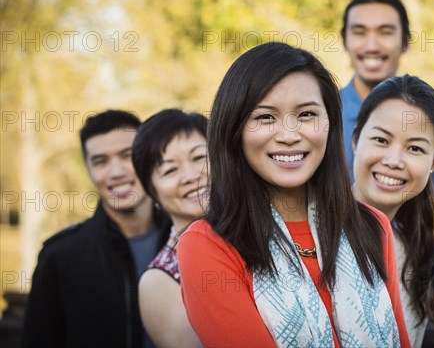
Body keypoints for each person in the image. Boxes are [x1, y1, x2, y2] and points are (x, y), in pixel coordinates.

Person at [178, 42, 411, 347]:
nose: (289, 135)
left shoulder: (371, 226)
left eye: (306, 115)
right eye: (265, 117)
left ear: (330, 124)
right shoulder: (208, 245)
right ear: (234, 130)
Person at [23, 110, 171, 348]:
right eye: (100, 161)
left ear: (147, 158)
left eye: (127, 155)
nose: (116, 171)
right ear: (89, 171)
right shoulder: (59, 257)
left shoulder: (187, 241)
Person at [351, 75, 434, 347]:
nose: (393, 161)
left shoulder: (420, 256)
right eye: (381, 140)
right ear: (356, 141)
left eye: (415, 148)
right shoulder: (307, 228)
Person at [340, 0, 434, 208]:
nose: (372, 46)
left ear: (405, 42)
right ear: (344, 41)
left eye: (385, 32)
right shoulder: (320, 114)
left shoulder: (429, 120)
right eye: (360, 32)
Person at [132, 109, 209, 348]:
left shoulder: (269, 229)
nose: (190, 176)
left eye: (199, 157)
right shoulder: (158, 283)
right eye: (169, 170)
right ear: (153, 193)